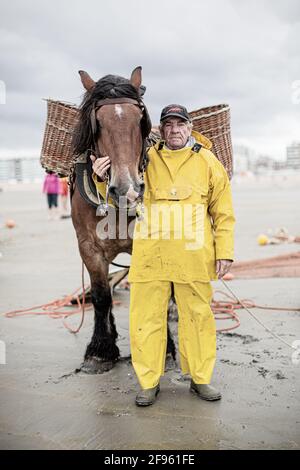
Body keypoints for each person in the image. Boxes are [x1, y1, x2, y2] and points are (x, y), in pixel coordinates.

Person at [91, 104, 235, 406]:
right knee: (146, 318)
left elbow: (223, 212)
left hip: (194, 255)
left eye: (180, 124)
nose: (174, 131)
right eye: (168, 125)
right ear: (161, 130)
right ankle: (148, 382)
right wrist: (101, 178)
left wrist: (225, 252)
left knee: (198, 318)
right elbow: (123, 191)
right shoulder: (147, 160)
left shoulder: (208, 161)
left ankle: (200, 379)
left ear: (190, 127)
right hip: (150, 254)